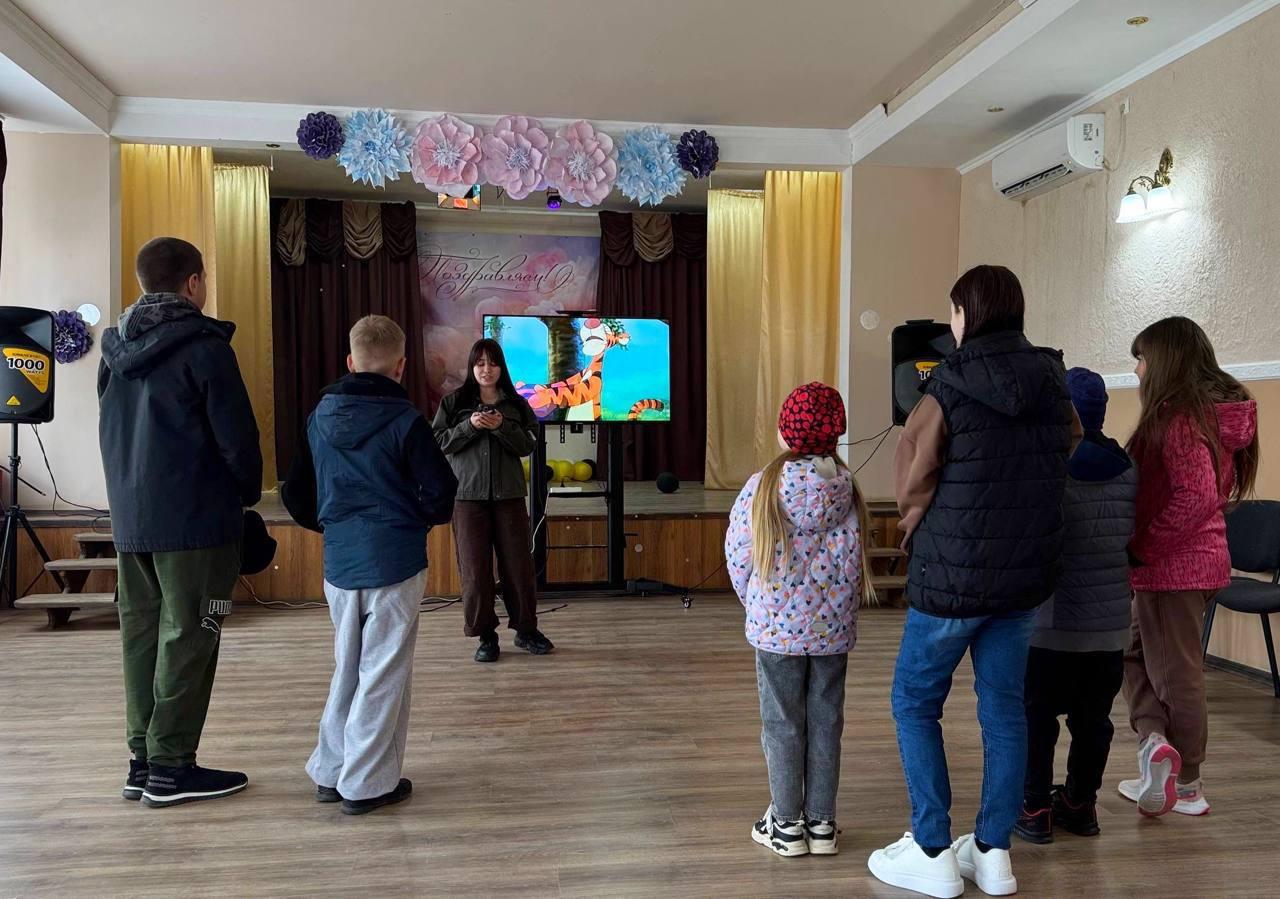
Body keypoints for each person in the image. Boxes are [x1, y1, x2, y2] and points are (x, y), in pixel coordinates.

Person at [868, 265, 1079, 899]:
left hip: (951, 580)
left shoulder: (947, 386)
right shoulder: (1054, 383)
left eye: (955, 311)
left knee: (915, 702)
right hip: (1022, 580)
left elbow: (912, 481)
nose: (952, 323)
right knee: (1005, 709)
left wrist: (916, 528)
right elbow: (1065, 454)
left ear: (969, 315)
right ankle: (992, 852)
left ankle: (932, 847)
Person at [99, 237, 262, 807]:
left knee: (141, 638)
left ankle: (142, 762)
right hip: (198, 525)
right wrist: (245, 498)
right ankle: (171, 768)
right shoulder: (207, 348)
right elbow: (237, 441)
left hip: (132, 522)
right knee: (195, 635)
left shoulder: (113, 352)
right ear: (193, 282)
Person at [282, 315, 456, 815]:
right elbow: (441, 493)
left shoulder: (319, 416)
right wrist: (412, 520)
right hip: (395, 559)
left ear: (350, 361)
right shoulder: (407, 421)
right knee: (383, 672)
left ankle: (330, 769)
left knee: (348, 667)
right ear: (401, 366)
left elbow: (297, 494)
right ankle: (365, 784)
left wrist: (337, 526)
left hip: (340, 560)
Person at [725, 382, 874, 858]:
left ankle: (787, 826)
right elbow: (857, 561)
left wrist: (758, 606)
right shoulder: (849, 489)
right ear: (837, 432)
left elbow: (738, 556)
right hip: (833, 632)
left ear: (784, 431)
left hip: (776, 632)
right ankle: (822, 824)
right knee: (826, 721)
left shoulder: (763, 485)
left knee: (782, 723)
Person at [1118, 316, 1258, 818]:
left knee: (1177, 675)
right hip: (1195, 561)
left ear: (1164, 360)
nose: (1137, 369)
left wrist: (1144, 547)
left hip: (1172, 568)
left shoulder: (1179, 418)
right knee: (1133, 655)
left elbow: (1195, 496)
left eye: (1141, 358)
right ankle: (1156, 747)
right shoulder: (1208, 414)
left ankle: (1189, 782)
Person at [1014, 367, 1137, 845]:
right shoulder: (1129, 468)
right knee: (1093, 722)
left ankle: (1035, 808)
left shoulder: (1047, 468)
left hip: (1049, 625)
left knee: (1037, 719)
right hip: (1109, 626)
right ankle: (1081, 806)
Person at [433, 339, 552, 662]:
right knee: (475, 571)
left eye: (493, 363)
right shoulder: (454, 403)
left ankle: (526, 630)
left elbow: (528, 443)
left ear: (502, 367)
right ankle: (486, 636)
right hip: (467, 498)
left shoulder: (516, 404)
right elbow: (439, 441)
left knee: (519, 567)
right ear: (472, 367)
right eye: (480, 363)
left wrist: (501, 427)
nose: (487, 369)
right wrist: (469, 426)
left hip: (509, 497)